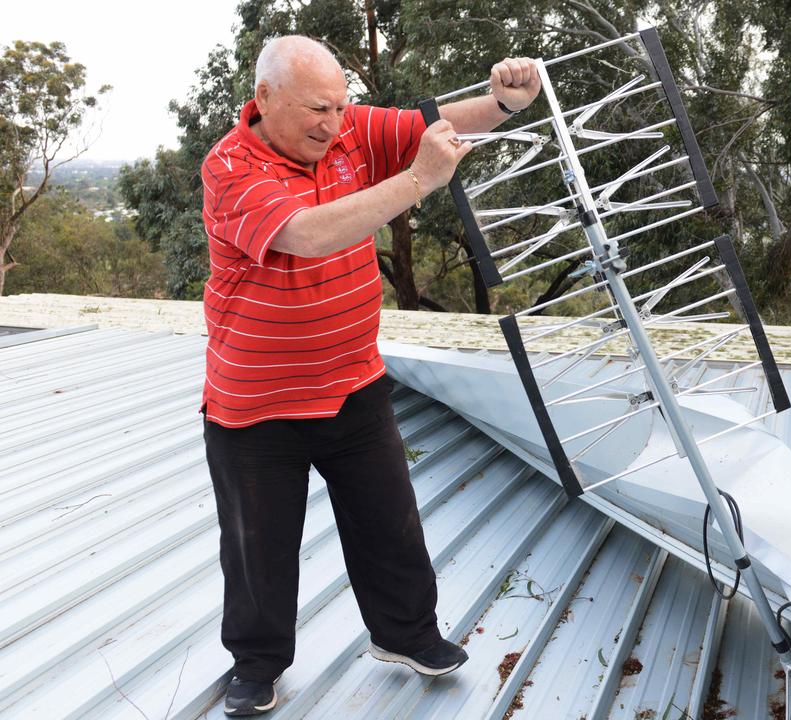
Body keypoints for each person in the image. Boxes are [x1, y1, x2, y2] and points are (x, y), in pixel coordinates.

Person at [199, 35, 541, 717]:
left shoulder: (350, 130)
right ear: (264, 100)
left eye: (340, 105)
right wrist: (417, 181)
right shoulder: (231, 167)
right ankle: (257, 664)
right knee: (258, 548)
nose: (333, 123)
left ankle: (407, 635)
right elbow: (308, 233)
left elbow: (436, 121)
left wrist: (505, 102)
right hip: (258, 406)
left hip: (353, 383)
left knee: (390, 523)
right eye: (314, 111)